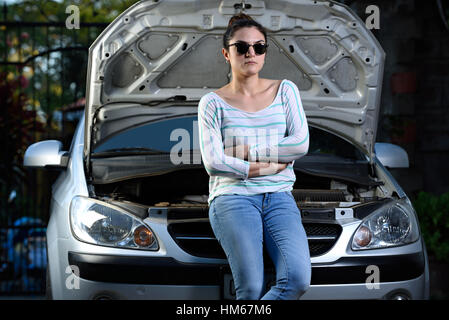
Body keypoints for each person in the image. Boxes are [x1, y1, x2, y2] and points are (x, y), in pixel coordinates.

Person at [197, 13, 311, 300]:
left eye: (259, 47)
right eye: (242, 47)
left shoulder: (286, 90)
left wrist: (248, 153)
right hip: (232, 197)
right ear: (226, 53)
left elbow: (300, 144)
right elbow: (214, 163)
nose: (251, 53)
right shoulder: (211, 102)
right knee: (249, 290)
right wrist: (264, 168)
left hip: (280, 197)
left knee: (297, 279)